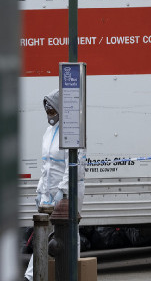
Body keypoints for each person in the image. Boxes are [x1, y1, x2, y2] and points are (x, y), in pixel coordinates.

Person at [25, 89, 85, 281]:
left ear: (60, 109)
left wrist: (63, 193)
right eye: (47, 112)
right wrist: (41, 191)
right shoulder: (48, 132)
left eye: (53, 112)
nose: (50, 116)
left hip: (68, 193)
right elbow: (47, 166)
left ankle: (70, 272)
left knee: (69, 234)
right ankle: (32, 275)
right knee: (43, 235)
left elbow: (74, 167)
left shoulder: (71, 132)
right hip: (49, 192)